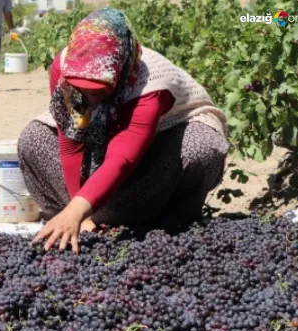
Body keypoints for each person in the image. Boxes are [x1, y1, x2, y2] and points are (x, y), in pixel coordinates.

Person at [18, 8, 229, 253]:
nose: (89, 94)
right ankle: (73, 220)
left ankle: (172, 224)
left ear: (121, 71)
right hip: (102, 156)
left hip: (156, 157)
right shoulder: (65, 70)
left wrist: (77, 209)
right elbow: (71, 143)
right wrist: (80, 214)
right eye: (82, 88)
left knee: (201, 146)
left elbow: (123, 158)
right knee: (33, 138)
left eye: (99, 87)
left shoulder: (150, 85)